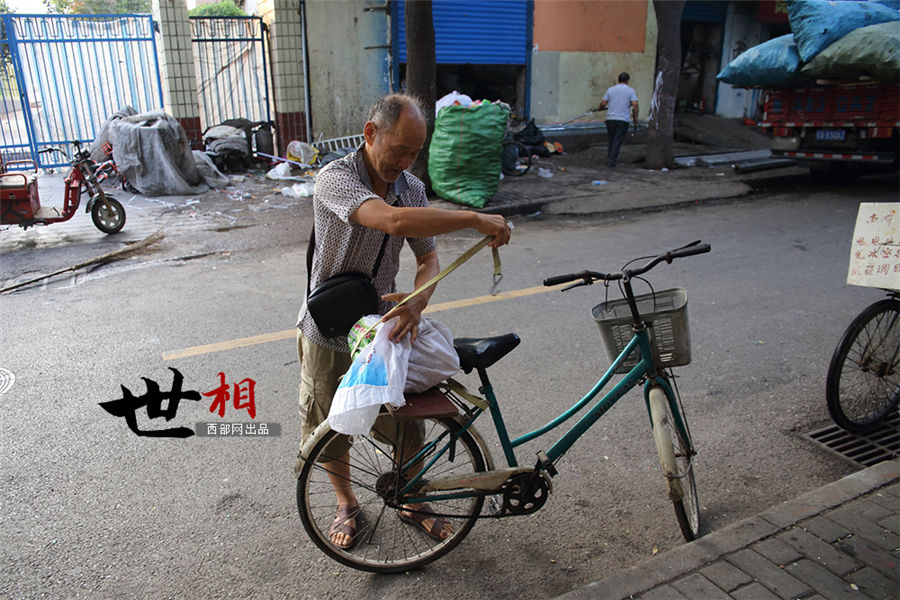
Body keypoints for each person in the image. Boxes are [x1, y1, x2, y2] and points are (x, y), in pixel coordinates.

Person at [295, 93, 511, 550]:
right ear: (371, 133)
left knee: (407, 420)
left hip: (381, 328)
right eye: (399, 150)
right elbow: (390, 221)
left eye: (415, 152)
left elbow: (428, 260)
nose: (406, 161)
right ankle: (347, 503)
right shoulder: (335, 179)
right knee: (329, 421)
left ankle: (412, 498)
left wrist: (418, 301)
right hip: (329, 331)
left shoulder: (411, 188)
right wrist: (473, 217)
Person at [597, 72, 639, 168]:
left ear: (618, 80)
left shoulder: (611, 90)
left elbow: (603, 103)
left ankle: (609, 157)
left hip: (610, 119)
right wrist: (636, 116)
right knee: (617, 140)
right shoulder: (630, 91)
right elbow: (635, 104)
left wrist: (599, 108)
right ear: (628, 81)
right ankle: (612, 161)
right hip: (622, 119)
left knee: (611, 139)